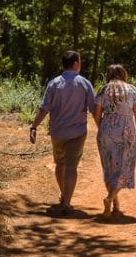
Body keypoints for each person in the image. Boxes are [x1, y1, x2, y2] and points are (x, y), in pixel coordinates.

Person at [30, 50, 97, 216]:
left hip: (57, 132)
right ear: (75, 63)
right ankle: (67, 202)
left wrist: (34, 126)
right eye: (80, 62)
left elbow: (44, 108)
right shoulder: (84, 84)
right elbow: (94, 109)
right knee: (71, 167)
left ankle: (63, 195)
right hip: (77, 132)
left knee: (60, 164)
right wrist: (101, 127)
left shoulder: (54, 83)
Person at [93, 64, 136, 218]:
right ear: (124, 74)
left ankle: (115, 205)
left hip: (106, 129)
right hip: (125, 131)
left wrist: (102, 128)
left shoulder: (103, 90)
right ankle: (110, 198)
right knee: (125, 165)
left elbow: (96, 113)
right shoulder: (132, 90)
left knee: (108, 167)